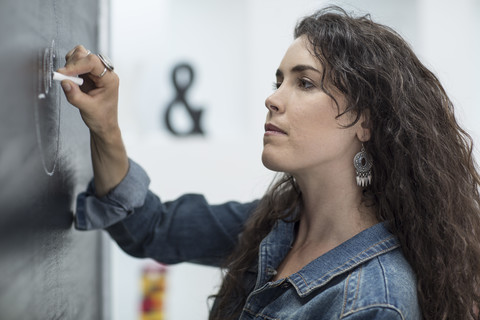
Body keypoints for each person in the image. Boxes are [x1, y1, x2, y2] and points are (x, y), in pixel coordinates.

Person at [58, 6, 480, 320]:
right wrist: (105, 126)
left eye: (305, 82)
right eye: (279, 81)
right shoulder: (278, 223)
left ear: (364, 122)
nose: (273, 98)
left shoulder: (375, 300)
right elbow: (150, 228)